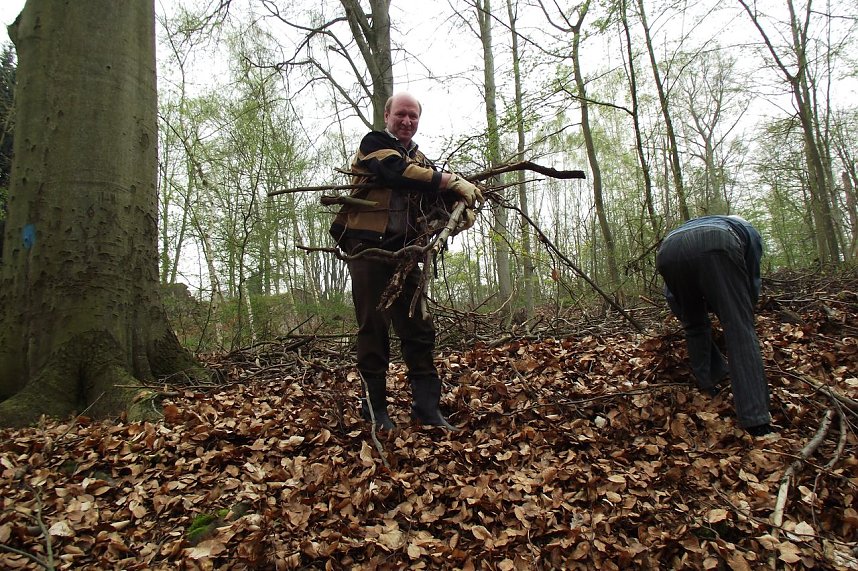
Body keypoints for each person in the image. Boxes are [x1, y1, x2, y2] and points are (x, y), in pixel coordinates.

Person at [329, 92, 482, 431]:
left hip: (407, 251)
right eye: (401, 114)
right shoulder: (374, 143)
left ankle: (427, 408)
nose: (407, 121)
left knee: (419, 327)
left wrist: (458, 210)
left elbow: (433, 196)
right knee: (374, 325)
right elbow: (395, 173)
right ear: (387, 115)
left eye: (413, 116)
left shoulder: (420, 159)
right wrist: (451, 180)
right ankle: (375, 409)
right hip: (368, 248)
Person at [656, 215, 774, 437]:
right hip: (717, 245)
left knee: (694, 324)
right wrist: (740, 312)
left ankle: (709, 382)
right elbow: (750, 279)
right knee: (738, 329)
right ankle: (755, 419)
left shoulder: (687, 229)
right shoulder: (748, 230)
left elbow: (673, 297)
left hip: (668, 251)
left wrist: (689, 316)